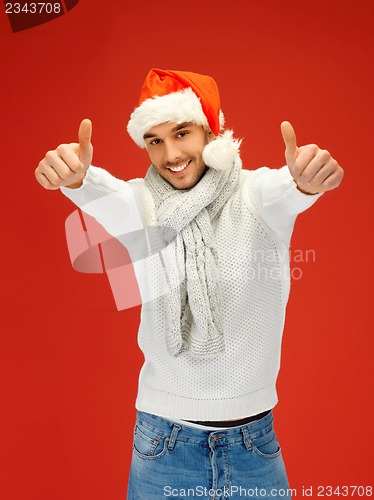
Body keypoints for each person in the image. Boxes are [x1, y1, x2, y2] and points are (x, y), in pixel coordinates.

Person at [35, 68, 343, 499]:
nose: (170, 154)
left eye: (182, 133)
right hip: (164, 447)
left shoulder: (255, 195)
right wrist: (73, 176)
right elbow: (98, 190)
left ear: (210, 130)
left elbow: (288, 187)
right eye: (155, 140)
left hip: (253, 444)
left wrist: (306, 182)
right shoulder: (140, 206)